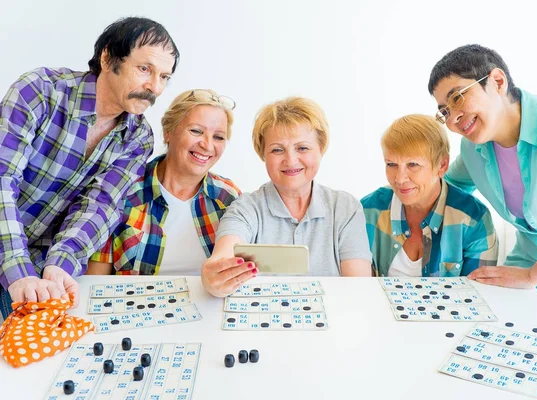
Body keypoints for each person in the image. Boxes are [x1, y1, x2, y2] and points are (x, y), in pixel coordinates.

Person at [0, 17, 179, 316]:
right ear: (108, 58)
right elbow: (3, 179)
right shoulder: (40, 92)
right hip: (14, 255)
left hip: (38, 266)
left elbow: (100, 206)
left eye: (164, 77)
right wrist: (18, 271)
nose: (155, 88)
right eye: (145, 69)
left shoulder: (138, 138)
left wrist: (60, 264)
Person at [429, 44, 537, 351]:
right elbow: (444, 191)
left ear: (497, 81)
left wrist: (532, 275)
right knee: (475, 354)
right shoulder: (473, 151)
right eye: (444, 111)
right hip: (523, 274)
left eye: (457, 97)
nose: (453, 118)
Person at [201, 97, 372, 297]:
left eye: (302, 148)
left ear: (321, 149)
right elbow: (223, 255)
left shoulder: (345, 208)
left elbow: (359, 290)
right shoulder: (245, 208)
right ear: (263, 154)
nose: (290, 160)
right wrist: (214, 276)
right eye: (277, 150)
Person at [86, 89, 240, 275]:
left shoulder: (229, 197)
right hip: (138, 303)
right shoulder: (123, 190)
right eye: (196, 131)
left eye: (218, 137)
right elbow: (95, 282)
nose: (207, 145)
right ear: (168, 132)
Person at [361, 114, 498, 277]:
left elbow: (478, 295)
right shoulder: (367, 211)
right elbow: (359, 291)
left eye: (413, 165)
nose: (399, 178)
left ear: (442, 165)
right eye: (391, 164)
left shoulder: (474, 220)